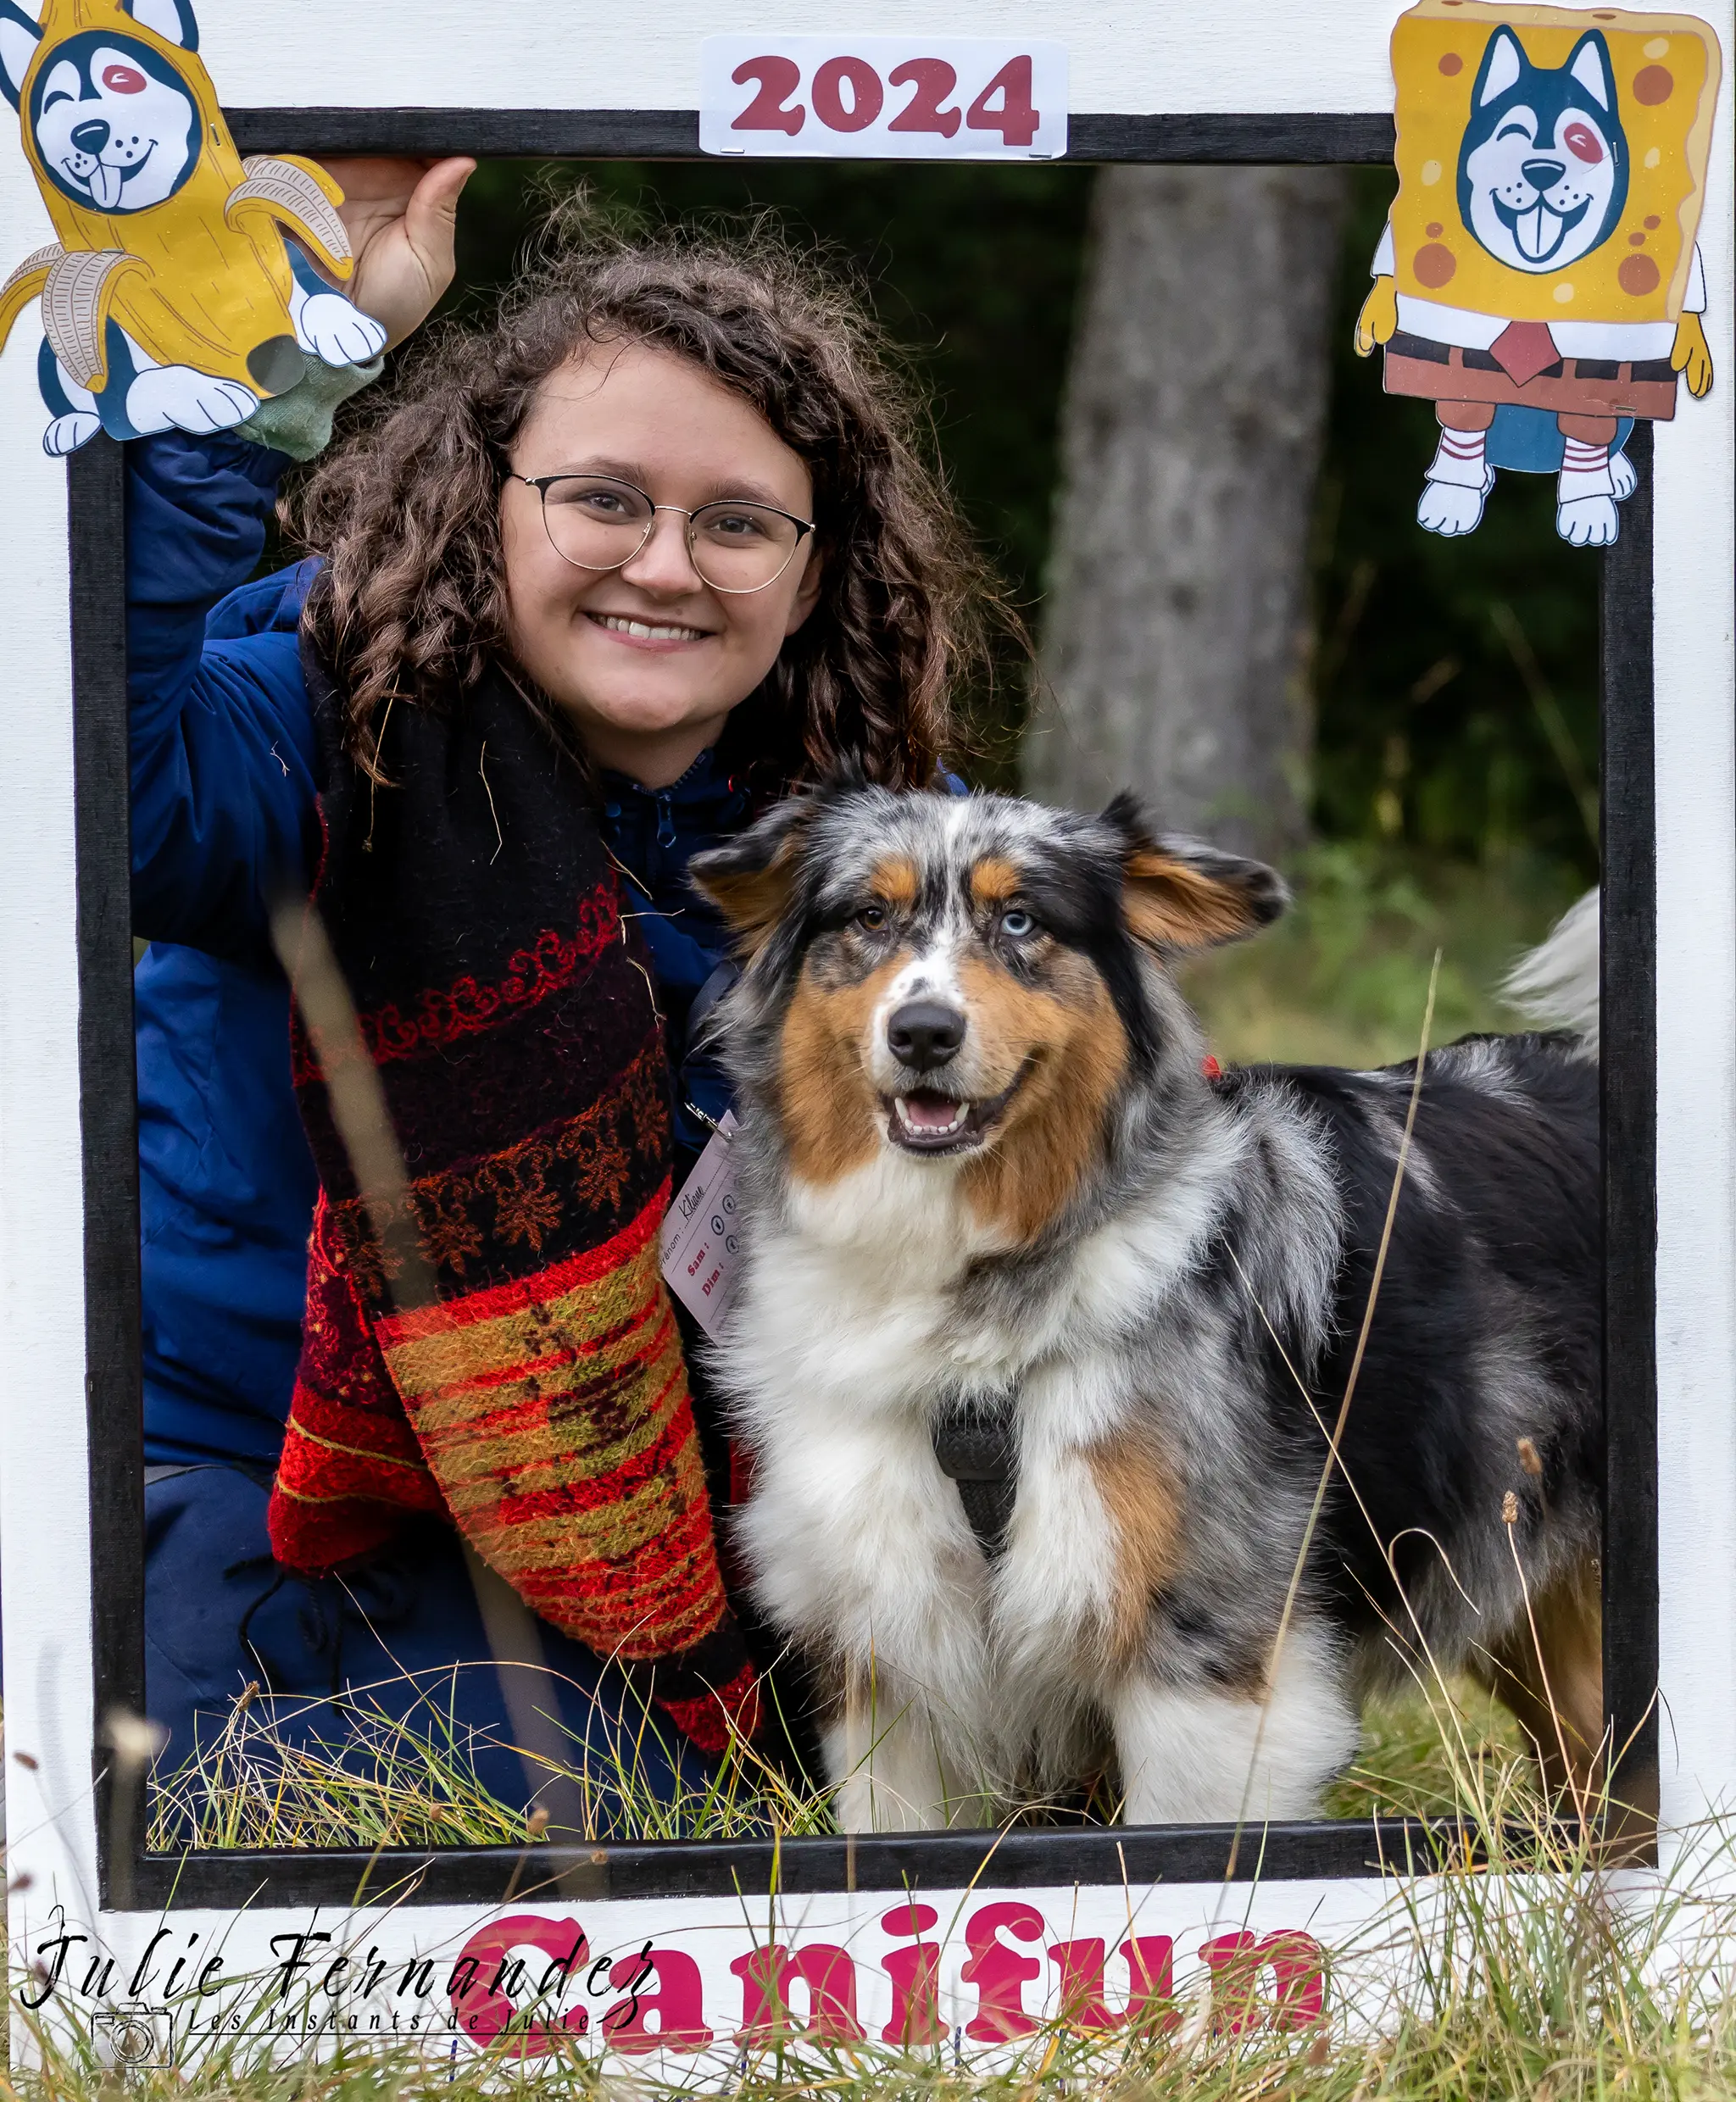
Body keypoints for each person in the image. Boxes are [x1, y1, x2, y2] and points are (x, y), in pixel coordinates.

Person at [132, 161, 1004, 1832]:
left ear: (814, 573)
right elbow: (98, 756)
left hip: (669, 1539)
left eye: (738, 521)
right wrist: (262, 356)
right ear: (490, 502)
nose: (665, 566)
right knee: (513, 1862)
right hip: (270, 1509)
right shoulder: (311, 723)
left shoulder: (896, 843)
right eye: (603, 498)